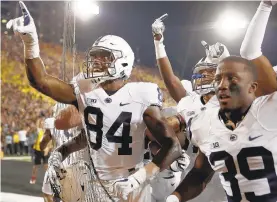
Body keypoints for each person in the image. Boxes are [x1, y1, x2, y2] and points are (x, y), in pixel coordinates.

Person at [7, 2, 182, 201]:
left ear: (122, 62)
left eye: (104, 57)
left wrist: (139, 178)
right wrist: (30, 41)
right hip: (94, 181)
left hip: (132, 184)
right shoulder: (85, 92)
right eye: (94, 56)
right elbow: (41, 82)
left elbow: (172, 146)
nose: (95, 62)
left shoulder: (142, 94)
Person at [167, 55, 277, 202]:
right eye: (218, 79)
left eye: (233, 79)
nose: (222, 85)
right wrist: (174, 198)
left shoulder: (270, 114)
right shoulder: (204, 123)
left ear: (252, 87)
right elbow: (200, 174)